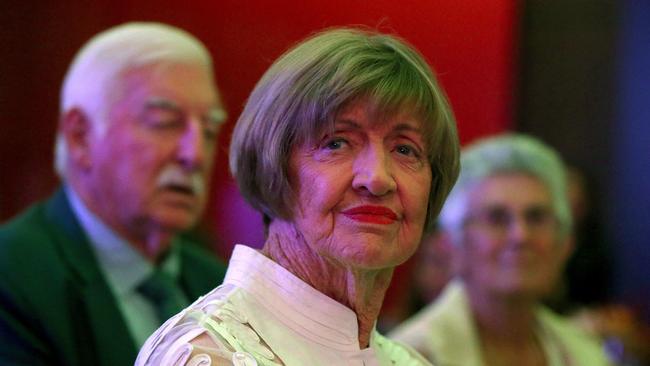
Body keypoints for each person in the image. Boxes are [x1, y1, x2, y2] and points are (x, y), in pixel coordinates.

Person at [136, 27, 460, 365]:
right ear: (273, 164)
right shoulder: (207, 354)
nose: (377, 179)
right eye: (337, 143)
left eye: (405, 149)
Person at [0, 22, 228, 365]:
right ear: (80, 136)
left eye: (209, 130)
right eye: (165, 122)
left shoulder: (221, 286)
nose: (194, 154)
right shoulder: (13, 277)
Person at [389, 134, 610, 366]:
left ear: (565, 243)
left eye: (536, 217)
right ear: (454, 244)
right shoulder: (411, 355)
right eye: (496, 218)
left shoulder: (586, 353)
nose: (521, 236)